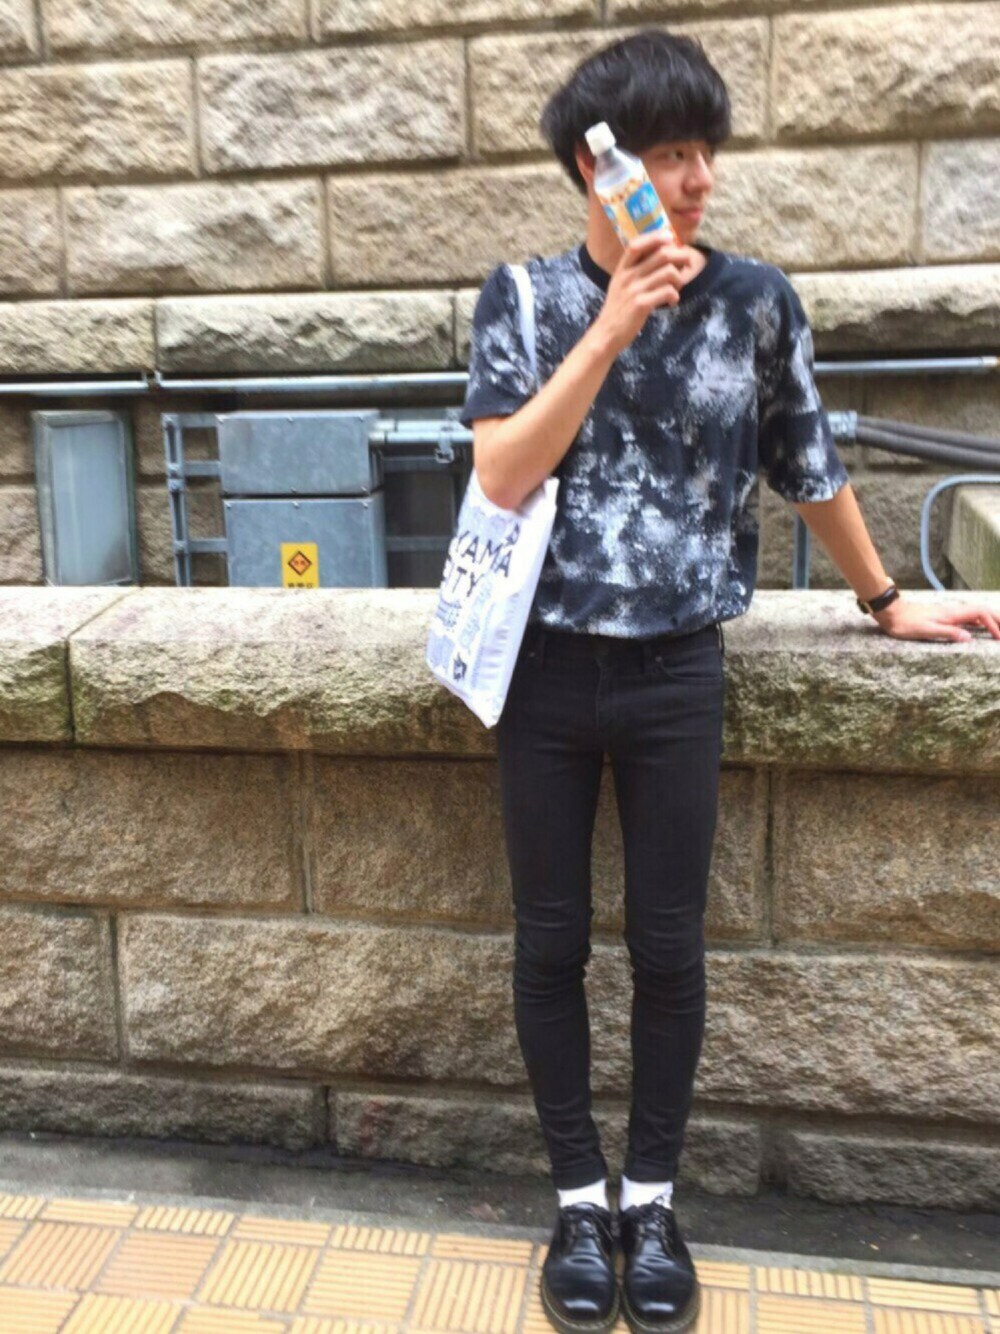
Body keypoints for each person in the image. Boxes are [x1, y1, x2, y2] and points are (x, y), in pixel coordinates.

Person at [458, 28, 1000, 1334]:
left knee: (668, 947)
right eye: (666, 154)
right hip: (542, 669)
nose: (695, 179)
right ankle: (577, 1199)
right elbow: (502, 474)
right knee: (548, 941)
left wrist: (887, 598)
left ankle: (651, 1202)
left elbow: (808, 463)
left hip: (678, 673)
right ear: (597, 168)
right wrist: (612, 326)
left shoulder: (756, 303)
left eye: (705, 151)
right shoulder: (521, 299)